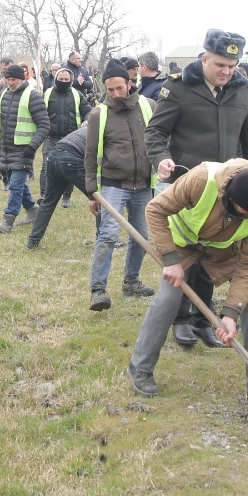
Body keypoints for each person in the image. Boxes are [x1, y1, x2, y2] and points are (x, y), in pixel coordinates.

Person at [145, 29, 248, 392]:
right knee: (188, 255)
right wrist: (162, 158)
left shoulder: (242, 91)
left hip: (231, 191)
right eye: (220, 64)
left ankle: (203, 320)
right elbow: (156, 132)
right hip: (188, 185)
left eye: (232, 65)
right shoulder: (179, 89)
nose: (226, 71)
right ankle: (181, 318)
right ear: (204, 59)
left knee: (216, 255)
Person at [126, 161, 248, 399]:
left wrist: (231, 314)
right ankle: (140, 369)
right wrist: (171, 259)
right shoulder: (201, 180)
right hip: (181, 244)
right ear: (230, 199)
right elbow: (154, 210)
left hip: (225, 251)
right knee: (168, 299)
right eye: (247, 214)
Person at [84, 59, 156, 311]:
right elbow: (90, 155)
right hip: (114, 184)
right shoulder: (99, 114)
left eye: (119, 88)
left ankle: (131, 281)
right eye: (110, 90)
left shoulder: (149, 107)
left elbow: (159, 142)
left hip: (145, 185)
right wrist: (92, 192)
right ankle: (98, 290)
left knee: (142, 236)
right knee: (108, 235)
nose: (115, 94)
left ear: (129, 83)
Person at [0, 64, 49, 233]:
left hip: (24, 149)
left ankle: (8, 220)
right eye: (8, 79)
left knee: (15, 185)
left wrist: (32, 146)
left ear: (23, 79)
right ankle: (33, 211)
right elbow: (2, 118)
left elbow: (44, 125)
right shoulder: (4, 94)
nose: (10, 83)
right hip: (6, 148)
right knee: (18, 183)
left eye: (13, 79)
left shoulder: (33, 96)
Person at [25, 123, 92, 251]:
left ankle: (32, 242)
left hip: (53, 156)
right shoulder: (102, 133)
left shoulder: (84, 129)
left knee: (47, 203)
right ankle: (107, 239)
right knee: (99, 200)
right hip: (71, 159)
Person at [42, 67, 91, 206]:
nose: (63, 81)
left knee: (68, 167)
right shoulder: (47, 94)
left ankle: (66, 197)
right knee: (46, 165)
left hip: (70, 138)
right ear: (56, 78)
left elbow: (88, 110)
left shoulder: (77, 94)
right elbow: (39, 112)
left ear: (70, 80)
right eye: (61, 79)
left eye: (66, 79)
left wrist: (87, 120)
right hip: (50, 136)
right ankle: (44, 195)